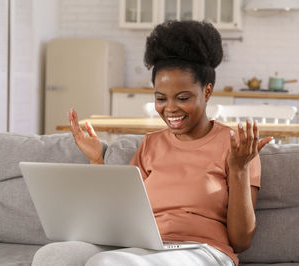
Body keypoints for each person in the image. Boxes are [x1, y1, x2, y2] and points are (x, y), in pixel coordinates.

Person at [32, 20, 272, 266]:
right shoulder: (150, 145)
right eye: (160, 98)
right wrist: (96, 160)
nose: (170, 108)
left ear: (207, 92)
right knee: (52, 256)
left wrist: (240, 169)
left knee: (107, 263)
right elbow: (120, 214)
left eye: (183, 97)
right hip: (145, 247)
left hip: (203, 250)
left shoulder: (237, 148)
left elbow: (241, 241)